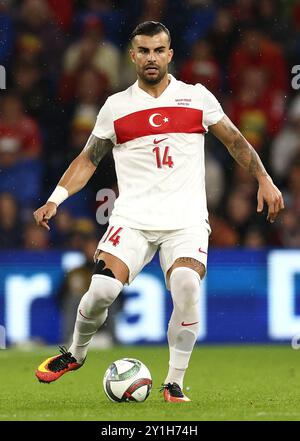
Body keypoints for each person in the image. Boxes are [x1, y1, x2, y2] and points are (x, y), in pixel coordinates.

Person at [33, 21, 284, 402]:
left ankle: (174, 382)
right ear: (133, 56)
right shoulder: (115, 107)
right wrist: (55, 198)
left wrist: (264, 178)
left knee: (185, 285)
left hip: (185, 220)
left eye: (158, 50)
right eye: (144, 51)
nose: (152, 58)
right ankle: (75, 354)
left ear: (170, 54)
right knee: (100, 290)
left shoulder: (196, 98)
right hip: (132, 218)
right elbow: (88, 159)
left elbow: (235, 140)